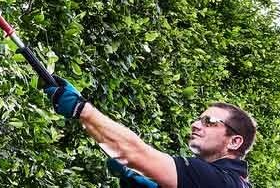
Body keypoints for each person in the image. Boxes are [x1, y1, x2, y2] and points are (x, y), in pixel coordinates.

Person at [42, 76, 256, 188]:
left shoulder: (220, 182)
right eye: (198, 119)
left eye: (209, 121)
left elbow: (135, 153)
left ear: (235, 141)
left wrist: (82, 110)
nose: (195, 124)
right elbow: (129, 155)